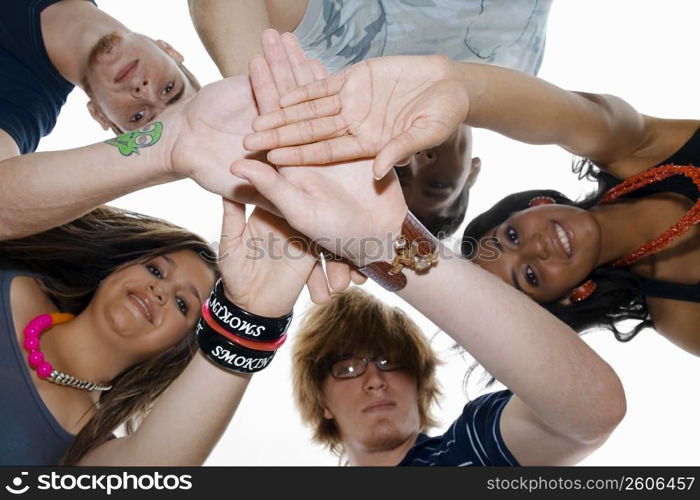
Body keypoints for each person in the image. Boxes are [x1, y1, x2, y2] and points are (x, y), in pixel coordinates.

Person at [230, 34, 626, 465]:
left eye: (389, 361)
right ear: (320, 400)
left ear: (422, 381)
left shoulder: (470, 452)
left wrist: (386, 242)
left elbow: (591, 413)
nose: (374, 382)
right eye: (344, 367)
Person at [243, 52, 700, 356]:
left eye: (514, 235)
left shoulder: (629, 147)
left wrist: (459, 89)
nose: (537, 248)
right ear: (574, 294)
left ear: (535, 204)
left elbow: (568, 117)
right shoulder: (683, 315)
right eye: (532, 276)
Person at [188, 0, 553, 236]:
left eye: (395, 169)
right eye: (436, 185)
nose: (413, 158)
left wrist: (268, 115)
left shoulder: (347, 54)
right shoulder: (523, 85)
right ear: (473, 170)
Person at [0, 199, 320, 465]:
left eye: (182, 304)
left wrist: (254, 312)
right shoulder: (13, 274)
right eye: (155, 269)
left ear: (175, 348)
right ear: (118, 268)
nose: (159, 290)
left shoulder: (87, 448)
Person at [0, 0, 200, 159]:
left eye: (139, 116)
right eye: (168, 89)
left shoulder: (21, 102)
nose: (144, 91)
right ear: (169, 50)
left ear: (99, 115)